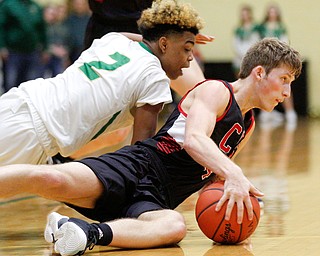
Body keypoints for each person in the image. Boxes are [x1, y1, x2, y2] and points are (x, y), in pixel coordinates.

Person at [0, 38, 302, 255]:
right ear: (259, 73)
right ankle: (72, 224)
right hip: (139, 166)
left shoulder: (246, 124)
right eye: (284, 79)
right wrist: (235, 173)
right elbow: (194, 140)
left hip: (158, 196)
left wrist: (239, 206)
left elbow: (212, 175)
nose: (287, 92)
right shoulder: (216, 91)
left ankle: (84, 232)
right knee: (51, 178)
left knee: (174, 226)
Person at [0, 0, 204, 165]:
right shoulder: (154, 78)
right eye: (187, 49)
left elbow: (129, 36)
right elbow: (141, 154)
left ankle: (60, 161)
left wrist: (178, 35)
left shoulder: (113, 39)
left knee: (114, 133)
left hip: (21, 98)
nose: (189, 58)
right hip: (33, 133)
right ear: (164, 42)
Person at [257, 4, 298, 130]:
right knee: (266, 86)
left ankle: (290, 112)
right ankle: (266, 111)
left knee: (284, 86)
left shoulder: (281, 27)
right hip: (266, 61)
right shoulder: (262, 28)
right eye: (270, 11)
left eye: (274, 11)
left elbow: (285, 43)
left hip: (279, 61)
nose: (272, 13)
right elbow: (259, 43)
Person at [0, 0, 49, 92]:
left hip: (32, 51)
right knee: (11, 83)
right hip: (13, 52)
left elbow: (42, 29)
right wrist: (1, 46)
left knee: (30, 84)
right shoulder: (8, 4)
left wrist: (45, 48)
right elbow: (1, 26)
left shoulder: (35, 6)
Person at [232, 4, 260, 77]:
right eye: (243, 14)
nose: (245, 16)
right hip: (240, 58)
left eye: (246, 14)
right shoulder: (238, 29)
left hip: (253, 57)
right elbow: (235, 44)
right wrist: (242, 54)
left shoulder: (256, 27)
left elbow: (257, 41)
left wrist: (250, 53)